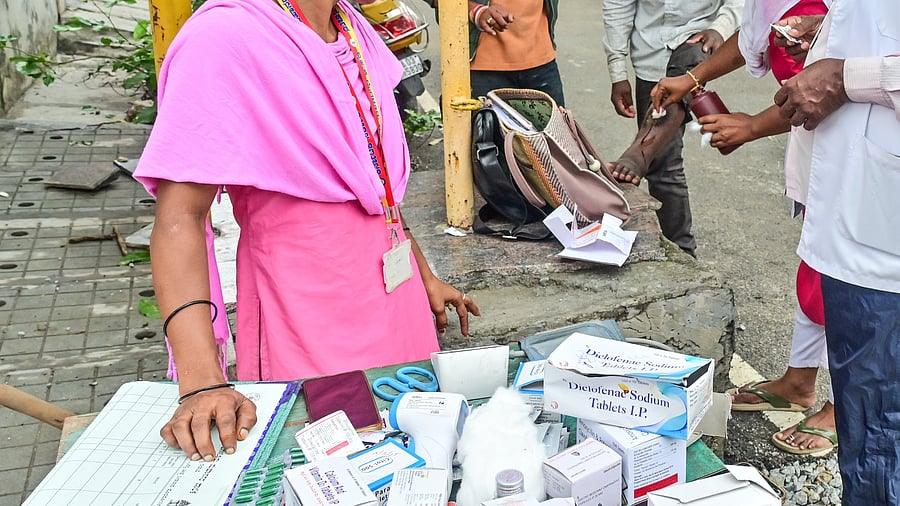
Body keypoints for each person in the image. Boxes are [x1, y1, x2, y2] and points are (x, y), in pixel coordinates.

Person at [133, 0, 480, 462]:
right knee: (336, 465)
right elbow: (180, 220)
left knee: (422, 454)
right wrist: (202, 384)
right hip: (309, 322)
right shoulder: (224, 37)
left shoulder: (351, 27)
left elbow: (372, 184)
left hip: (399, 307)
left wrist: (423, 276)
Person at [650, 0, 835, 457]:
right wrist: (693, 78)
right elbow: (757, 33)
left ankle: (849, 406)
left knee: (858, 283)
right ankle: (799, 382)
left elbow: (834, 86)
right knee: (816, 270)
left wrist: (752, 126)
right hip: (821, 154)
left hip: (864, 157)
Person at [772, 3, 900, 504]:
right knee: (866, 431)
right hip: (861, 221)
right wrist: (829, 34)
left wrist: (846, 76)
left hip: (882, 252)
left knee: (879, 441)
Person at [601, 0, 744, 258]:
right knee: (662, 166)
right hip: (651, 54)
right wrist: (617, 72)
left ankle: (640, 151)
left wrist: (720, 28)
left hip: (699, 43)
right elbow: (618, 5)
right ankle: (679, 252)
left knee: (688, 62)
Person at [426, 0, 564, 106]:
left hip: (542, 64)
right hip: (480, 70)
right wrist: (475, 10)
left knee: (555, 134)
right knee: (483, 134)